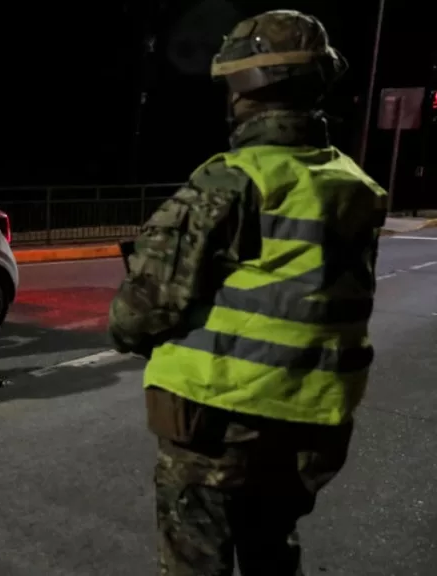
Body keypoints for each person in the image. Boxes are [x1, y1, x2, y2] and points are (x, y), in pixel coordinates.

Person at [107, 10, 389, 575]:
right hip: (310, 429)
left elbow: (139, 314)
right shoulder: (355, 187)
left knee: (196, 562)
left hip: (217, 426)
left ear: (242, 89)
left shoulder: (231, 180)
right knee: (270, 549)